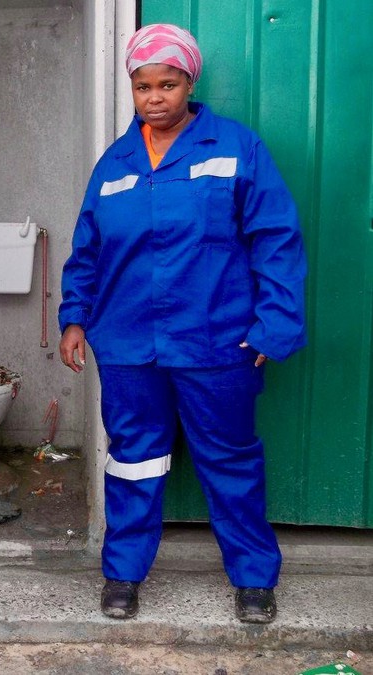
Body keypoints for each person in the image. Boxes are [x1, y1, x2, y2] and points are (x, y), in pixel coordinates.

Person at [58, 23, 306, 624]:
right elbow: (87, 249)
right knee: (134, 459)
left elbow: (275, 238)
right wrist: (74, 317)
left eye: (167, 84)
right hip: (127, 345)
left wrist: (274, 325)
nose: (154, 97)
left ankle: (253, 578)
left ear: (189, 82)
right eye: (142, 86)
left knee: (229, 461)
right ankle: (122, 573)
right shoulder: (114, 162)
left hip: (216, 341)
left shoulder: (235, 148)